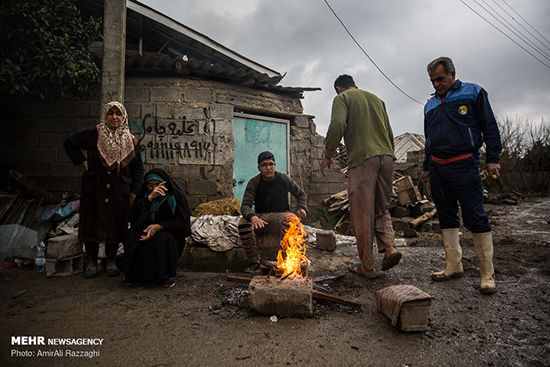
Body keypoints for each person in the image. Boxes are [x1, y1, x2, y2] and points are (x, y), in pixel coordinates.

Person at [421, 57, 502, 295]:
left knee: (475, 216)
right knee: (446, 217)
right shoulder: (430, 105)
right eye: (433, 81)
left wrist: (493, 159)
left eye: (440, 79)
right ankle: (453, 266)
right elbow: (429, 139)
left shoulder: (473, 93)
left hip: (465, 164)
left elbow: (490, 127)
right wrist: (426, 167)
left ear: (452, 74)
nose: (436, 84)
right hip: (438, 168)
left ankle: (487, 274)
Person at [321, 74, 401, 279]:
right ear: (354, 84)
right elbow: (389, 132)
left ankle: (367, 266)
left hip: (364, 159)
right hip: (387, 157)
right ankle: (389, 248)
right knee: (381, 207)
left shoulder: (342, 98)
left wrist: (328, 154)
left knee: (362, 212)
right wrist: (388, 156)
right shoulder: (377, 99)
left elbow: (337, 124)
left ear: (339, 88)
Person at [64, 101, 144, 279]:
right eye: (110, 113)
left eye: (118, 114)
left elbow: (138, 169)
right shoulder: (93, 134)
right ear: (105, 116)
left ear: (124, 117)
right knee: (91, 222)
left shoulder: (131, 141)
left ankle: (110, 261)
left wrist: (134, 191)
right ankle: (91, 262)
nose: (114, 117)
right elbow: (69, 143)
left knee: (116, 225)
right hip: (95, 188)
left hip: (119, 191)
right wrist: (82, 162)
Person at [123, 169, 191, 288]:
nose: (154, 188)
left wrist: (159, 227)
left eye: (157, 184)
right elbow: (133, 217)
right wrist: (149, 199)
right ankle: (135, 276)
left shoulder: (174, 196)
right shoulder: (144, 196)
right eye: (151, 185)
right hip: (145, 229)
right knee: (132, 236)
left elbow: (182, 221)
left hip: (169, 232)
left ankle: (165, 276)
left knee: (161, 239)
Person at [239, 151, 307, 268]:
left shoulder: (283, 179)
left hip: (281, 215)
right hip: (262, 217)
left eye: (271, 164)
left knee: (292, 220)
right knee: (243, 223)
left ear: (275, 165)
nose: (268, 168)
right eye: (264, 165)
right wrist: (253, 217)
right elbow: (245, 205)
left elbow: (301, 194)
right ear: (259, 168)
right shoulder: (254, 182)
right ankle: (254, 262)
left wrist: (301, 208)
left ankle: (287, 262)